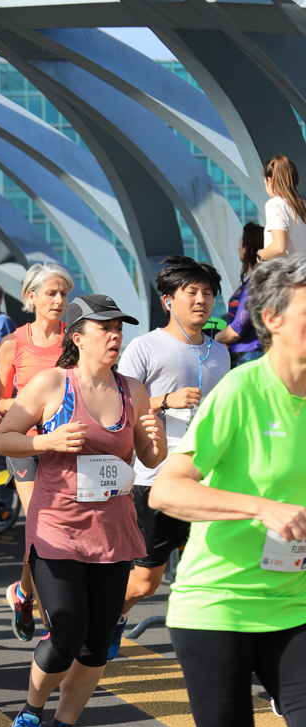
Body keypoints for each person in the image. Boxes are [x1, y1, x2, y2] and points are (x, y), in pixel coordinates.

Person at [146, 254, 306, 727]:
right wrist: (258, 507)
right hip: (217, 604)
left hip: (293, 600)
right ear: (273, 319)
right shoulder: (243, 390)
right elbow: (167, 491)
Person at [0, 294, 165, 727]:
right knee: (67, 630)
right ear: (78, 336)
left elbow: (149, 457)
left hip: (112, 532)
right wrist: (46, 441)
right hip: (58, 529)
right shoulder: (52, 383)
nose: (115, 336)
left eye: (119, 327)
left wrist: (156, 440)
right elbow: (4, 438)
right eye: (104, 327)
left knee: (98, 642)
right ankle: (29, 715)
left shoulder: (133, 390)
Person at [114, 256, 229, 645]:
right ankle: (110, 619)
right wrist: (165, 401)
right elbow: (118, 407)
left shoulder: (219, 353)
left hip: (207, 479)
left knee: (214, 571)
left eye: (208, 293)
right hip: (155, 478)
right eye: (192, 292)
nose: (201, 300)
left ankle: (210, 645)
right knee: (145, 581)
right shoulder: (145, 347)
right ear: (167, 300)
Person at [0, 263, 73, 642]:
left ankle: (23, 591)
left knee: (54, 528)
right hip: (25, 444)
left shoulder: (74, 341)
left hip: (64, 445)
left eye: (64, 294)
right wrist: (30, 406)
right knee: (40, 525)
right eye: (51, 293)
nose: (59, 300)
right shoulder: (13, 344)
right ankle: (51, 627)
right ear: (32, 297)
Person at [217, 223, 266, 368]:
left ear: (249, 248)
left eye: (240, 242)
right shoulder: (259, 282)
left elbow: (238, 328)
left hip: (249, 355)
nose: (238, 247)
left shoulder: (256, 283)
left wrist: (216, 338)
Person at [258, 155, 306, 262]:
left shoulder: (275, 205)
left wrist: (260, 255)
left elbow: (279, 247)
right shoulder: (303, 205)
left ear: (270, 181)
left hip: (286, 271)